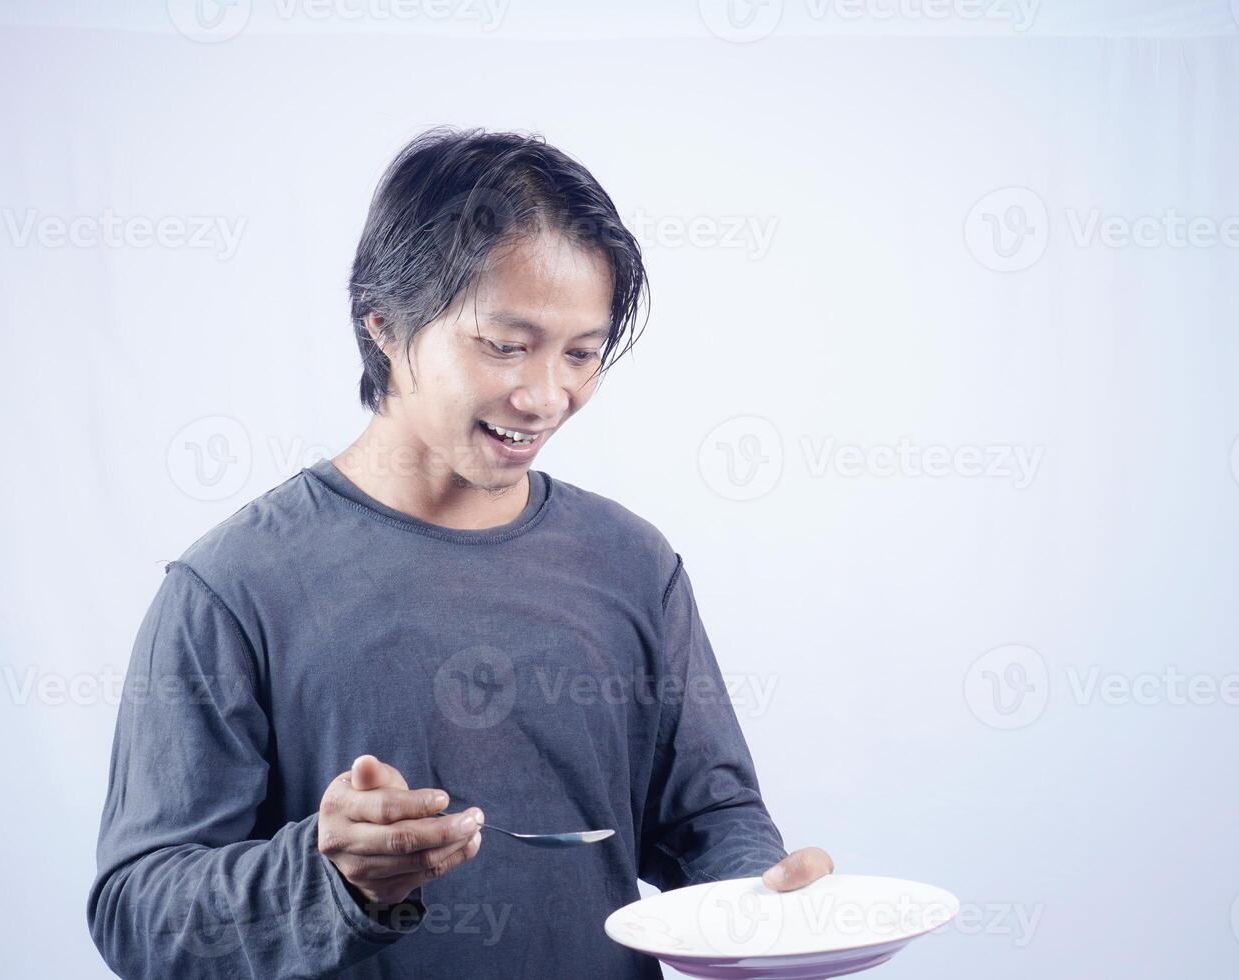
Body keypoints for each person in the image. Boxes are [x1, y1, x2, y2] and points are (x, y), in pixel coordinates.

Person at [87, 125, 833, 979]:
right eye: (505, 345)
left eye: (581, 354)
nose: (546, 395)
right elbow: (137, 913)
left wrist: (764, 899)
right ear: (386, 327)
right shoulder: (233, 588)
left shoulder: (631, 562)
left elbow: (706, 814)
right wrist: (331, 878)